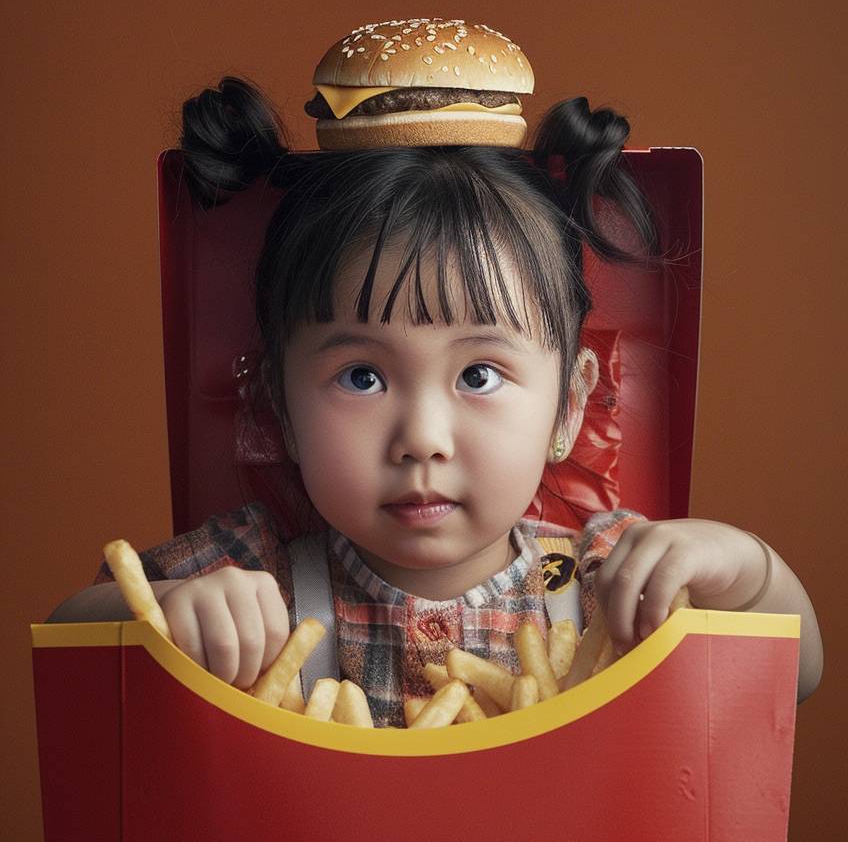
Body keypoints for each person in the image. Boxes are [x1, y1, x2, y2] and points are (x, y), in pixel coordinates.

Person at [50, 77, 823, 724]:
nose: (422, 438)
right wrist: (167, 620)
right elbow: (65, 642)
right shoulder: (259, 574)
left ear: (568, 409)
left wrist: (748, 572)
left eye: (479, 375)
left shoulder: (602, 578)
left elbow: (799, 674)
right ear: (280, 408)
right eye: (363, 376)